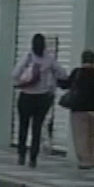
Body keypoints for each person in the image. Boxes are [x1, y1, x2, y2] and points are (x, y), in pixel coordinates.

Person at [12, 33, 61, 167]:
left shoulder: (28, 56)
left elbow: (15, 73)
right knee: (37, 128)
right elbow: (62, 73)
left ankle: (21, 155)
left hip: (26, 96)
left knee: (23, 126)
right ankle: (33, 158)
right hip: (42, 97)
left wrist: (23, 79)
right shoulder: (49, 59)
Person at [60, 49, 94, 168]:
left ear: (82, 59)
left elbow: (65, 85)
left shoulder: (77, 72)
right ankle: (92, 159)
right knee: (93, 136)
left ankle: (85, 160)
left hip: (80, 110)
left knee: (81, 136)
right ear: (93, 60)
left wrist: (56, 78)